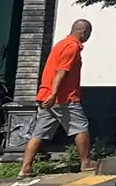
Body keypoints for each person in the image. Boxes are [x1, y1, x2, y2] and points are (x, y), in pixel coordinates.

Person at [20, 18, 94, 177]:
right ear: (83, 32)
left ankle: (25, 168)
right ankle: (86, 162)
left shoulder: (60, 44)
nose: (88, 37)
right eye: (89, 33)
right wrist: (54, 94)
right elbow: (61, 71)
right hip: (63, 98)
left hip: (46, 96)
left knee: (38, 133)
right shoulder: (72, 47)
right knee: (81, 127)